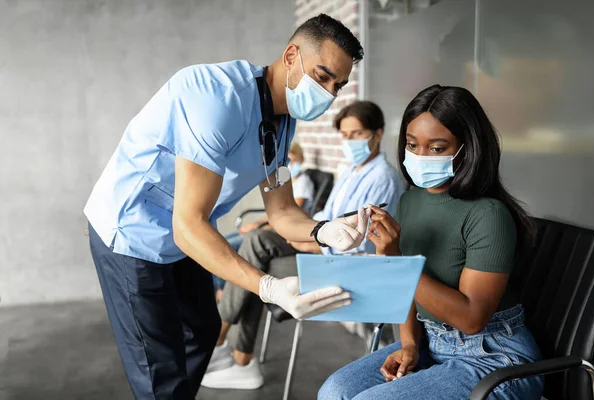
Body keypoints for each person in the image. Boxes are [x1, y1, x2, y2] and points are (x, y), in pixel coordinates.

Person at [84, 14, 366, 400]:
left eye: (338, 85)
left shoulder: (283, 123)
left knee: (201, 328)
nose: (329, 93)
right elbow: (188, 226)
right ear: (290, 56)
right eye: (322, 76)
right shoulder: (216, 98)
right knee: (159, 368)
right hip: (132, 230)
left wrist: (323, 230)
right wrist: (268, 286)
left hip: (184, 231)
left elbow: (282, 211)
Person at [318, 85, 545, 400]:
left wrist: (396, 262)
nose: (420, 156)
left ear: (467, 148)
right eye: (412, 144)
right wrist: (409, 343)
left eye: (437, 148)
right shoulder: (410, 200)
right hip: (429, 340)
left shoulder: (489, 214)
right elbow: (406, 290)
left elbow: (471, 319)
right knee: (334, 391)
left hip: (493, 356)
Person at [201, 100, 405, 390]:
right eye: (345, 135)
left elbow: (369, 242)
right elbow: (325, 217)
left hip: (347, 262)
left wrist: (317, 246)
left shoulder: (383, 178)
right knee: (258, 240)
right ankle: (236, 353)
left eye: (357, 134)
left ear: (378, 134)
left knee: (259, 264)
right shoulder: (351, 171)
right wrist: (309, 233)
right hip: (323, 245)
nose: (349, 141)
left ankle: (228, 346)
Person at [214, 141, 315, 300]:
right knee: (221, 242)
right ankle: (219, 290)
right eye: (287, 161)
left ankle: (221, 291)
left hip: (285, 229)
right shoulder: (287, 181)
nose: (290, 165)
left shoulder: (303, 183)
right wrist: (256, 224)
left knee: (229, 247)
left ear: (301, 159)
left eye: (293, 160)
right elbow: (276, 212)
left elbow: (290, 214)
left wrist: (258, 227)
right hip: (273, 225)